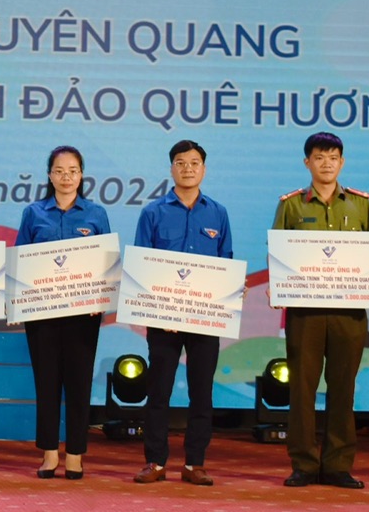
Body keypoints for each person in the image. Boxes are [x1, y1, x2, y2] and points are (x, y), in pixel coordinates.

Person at [273, 131, 369, 490]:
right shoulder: (291, 205)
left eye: (333, 157)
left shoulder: (360, 204)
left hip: (350, 313)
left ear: (342, 162)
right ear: (307, 163)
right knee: (301, 390)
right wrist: (279, 285)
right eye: (319, 157)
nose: (326, 164)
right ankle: (303, 464)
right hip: (306, 313)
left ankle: (337, 465)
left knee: (343, 389)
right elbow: (279, 254)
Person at [132, 140, 232, 487]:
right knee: (158, 392)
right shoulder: (153, 213)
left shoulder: (218, 213)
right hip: (163, 322)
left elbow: (225, 262)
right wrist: (163, 310)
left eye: (194, 163)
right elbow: (142, 266)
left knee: (201, 393)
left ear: (204, 168)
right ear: (171, 168)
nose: (187, 168)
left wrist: (232, 290)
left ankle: (195, 463)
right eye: (180, 163)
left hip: (205, 319)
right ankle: (155, 461)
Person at [15, 145, 110, 480]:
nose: (66, 177)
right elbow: (21, 260)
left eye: (73, 171)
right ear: (49, 175)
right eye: (59, 171)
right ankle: (49, 453)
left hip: (83, 317)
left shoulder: (96, 214)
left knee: (79, 385)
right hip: (42, 315)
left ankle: (76, 454)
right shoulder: (33, 213)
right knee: (47, 384)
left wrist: (102, 297)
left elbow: (106, 264)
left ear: (81, 175)